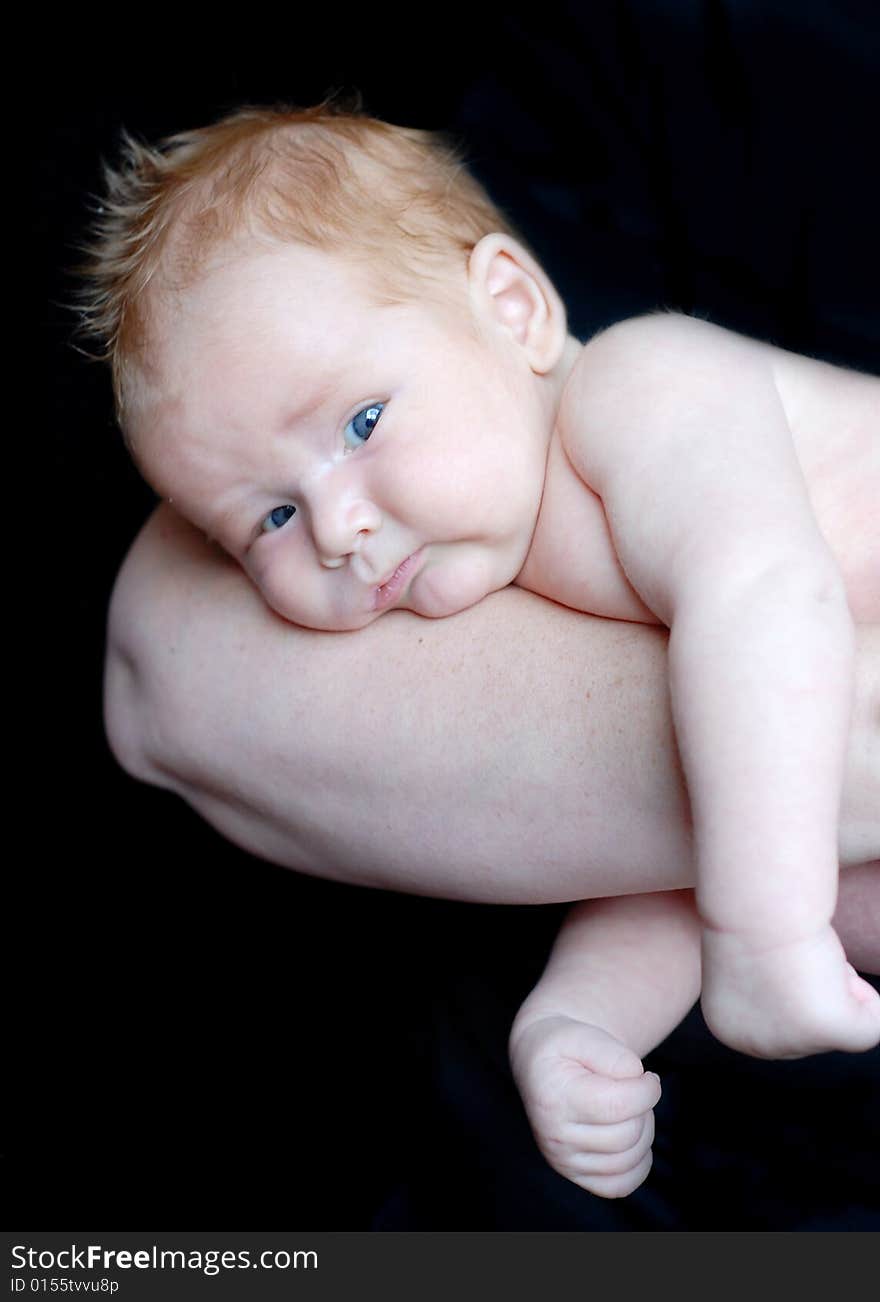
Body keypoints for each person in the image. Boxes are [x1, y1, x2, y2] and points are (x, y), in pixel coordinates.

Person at [79, 103, 879, 1199]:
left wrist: (766, 933)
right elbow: (689, 833)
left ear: (512, 308)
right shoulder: (506, 565)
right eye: (265, 520)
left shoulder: (643, 393)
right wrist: (579, 1021)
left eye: (360, 426)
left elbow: (772, 609)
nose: (336, 530)